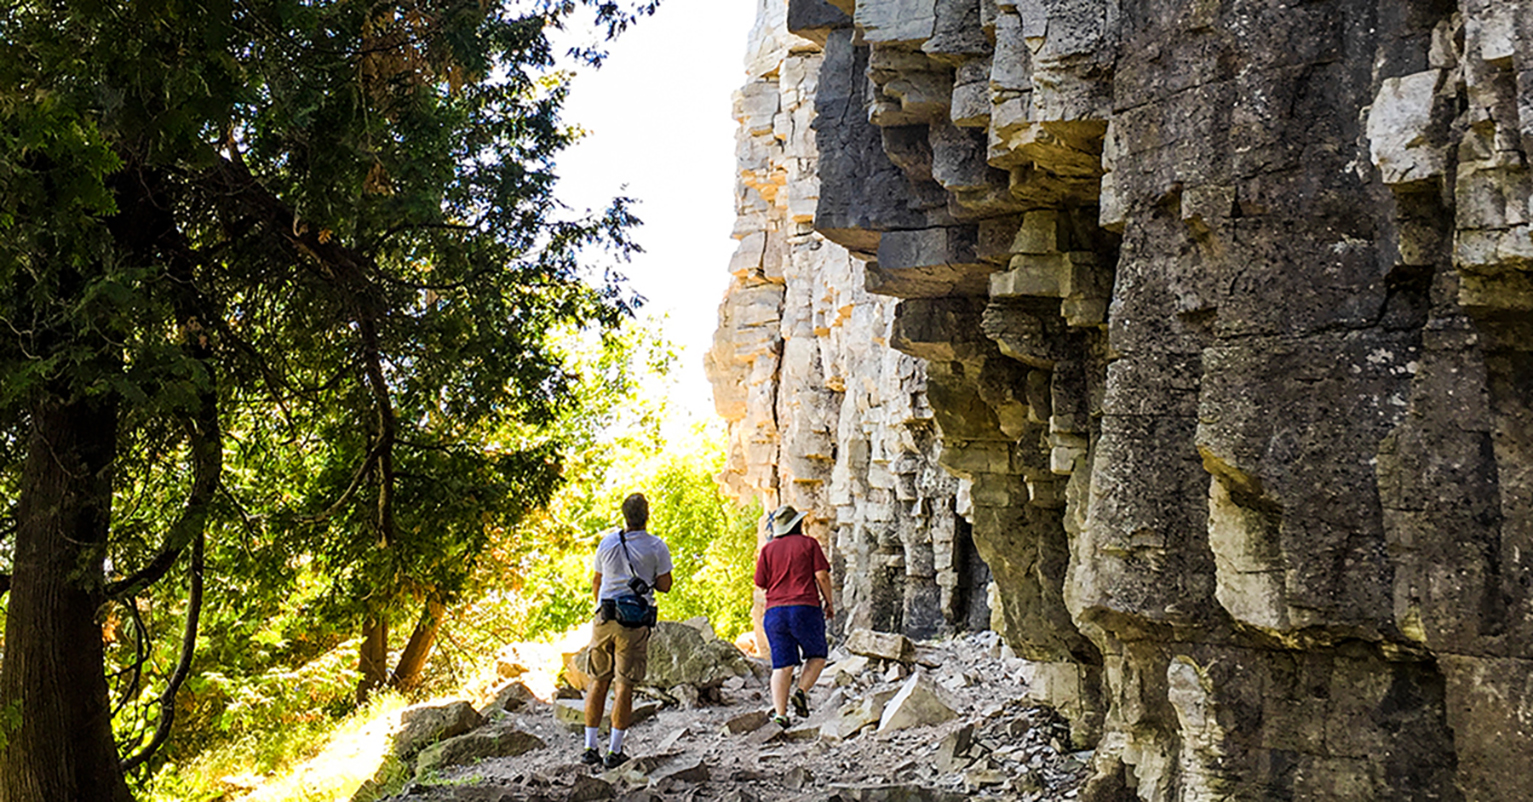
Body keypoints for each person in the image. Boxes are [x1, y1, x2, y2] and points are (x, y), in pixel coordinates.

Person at [582, 493, 673, 769]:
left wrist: (600, 607)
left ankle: (589, 747)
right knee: (624, 684)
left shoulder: (607, 542)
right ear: (647, 515)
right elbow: (665, 585)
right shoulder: (656, 546)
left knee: (598, 681)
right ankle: (614, 750)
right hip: (633, 624)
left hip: (604, 616)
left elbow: (597, 582)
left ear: (624, 515)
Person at [754, 504, 834, 728]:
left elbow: (761, 582)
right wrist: (829, 602)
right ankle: (800, 691)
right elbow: (822, 576)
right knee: (817, 655)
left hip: (774, 613)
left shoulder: (768, 550)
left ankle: (781, 715)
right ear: (798, 524)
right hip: (804, 608)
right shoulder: (809, 544)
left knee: (782, 666)